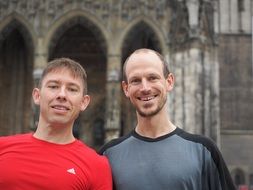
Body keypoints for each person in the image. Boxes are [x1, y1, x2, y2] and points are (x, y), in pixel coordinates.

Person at [99, 48, 236, 190]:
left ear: (169, 82)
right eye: (136, 80)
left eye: (153, 78)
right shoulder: (108, 155)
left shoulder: (204, 151)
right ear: (126, 88)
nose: (145, 87)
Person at [0, 58, 112, 189]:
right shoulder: (2, 147)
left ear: (84, 102)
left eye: (72, 89)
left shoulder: (97, 165)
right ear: (37, 95)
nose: (62, 95)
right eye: (53, 86)